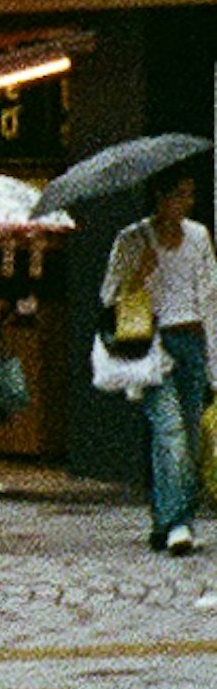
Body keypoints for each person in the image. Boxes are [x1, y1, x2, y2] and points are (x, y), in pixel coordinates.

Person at [106, 171, 216, 553]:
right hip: (154, 344)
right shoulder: (133, 238)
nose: (186, 203)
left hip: (192, 341)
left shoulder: (199, 236)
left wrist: (213, 357)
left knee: (185, 432)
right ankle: (178, 524)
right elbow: (108, 296)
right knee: (171, 434)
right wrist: (138, 274)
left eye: (190, 195)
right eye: (179, 195)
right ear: (160, 197)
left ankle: (164, 518)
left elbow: (211, 295)